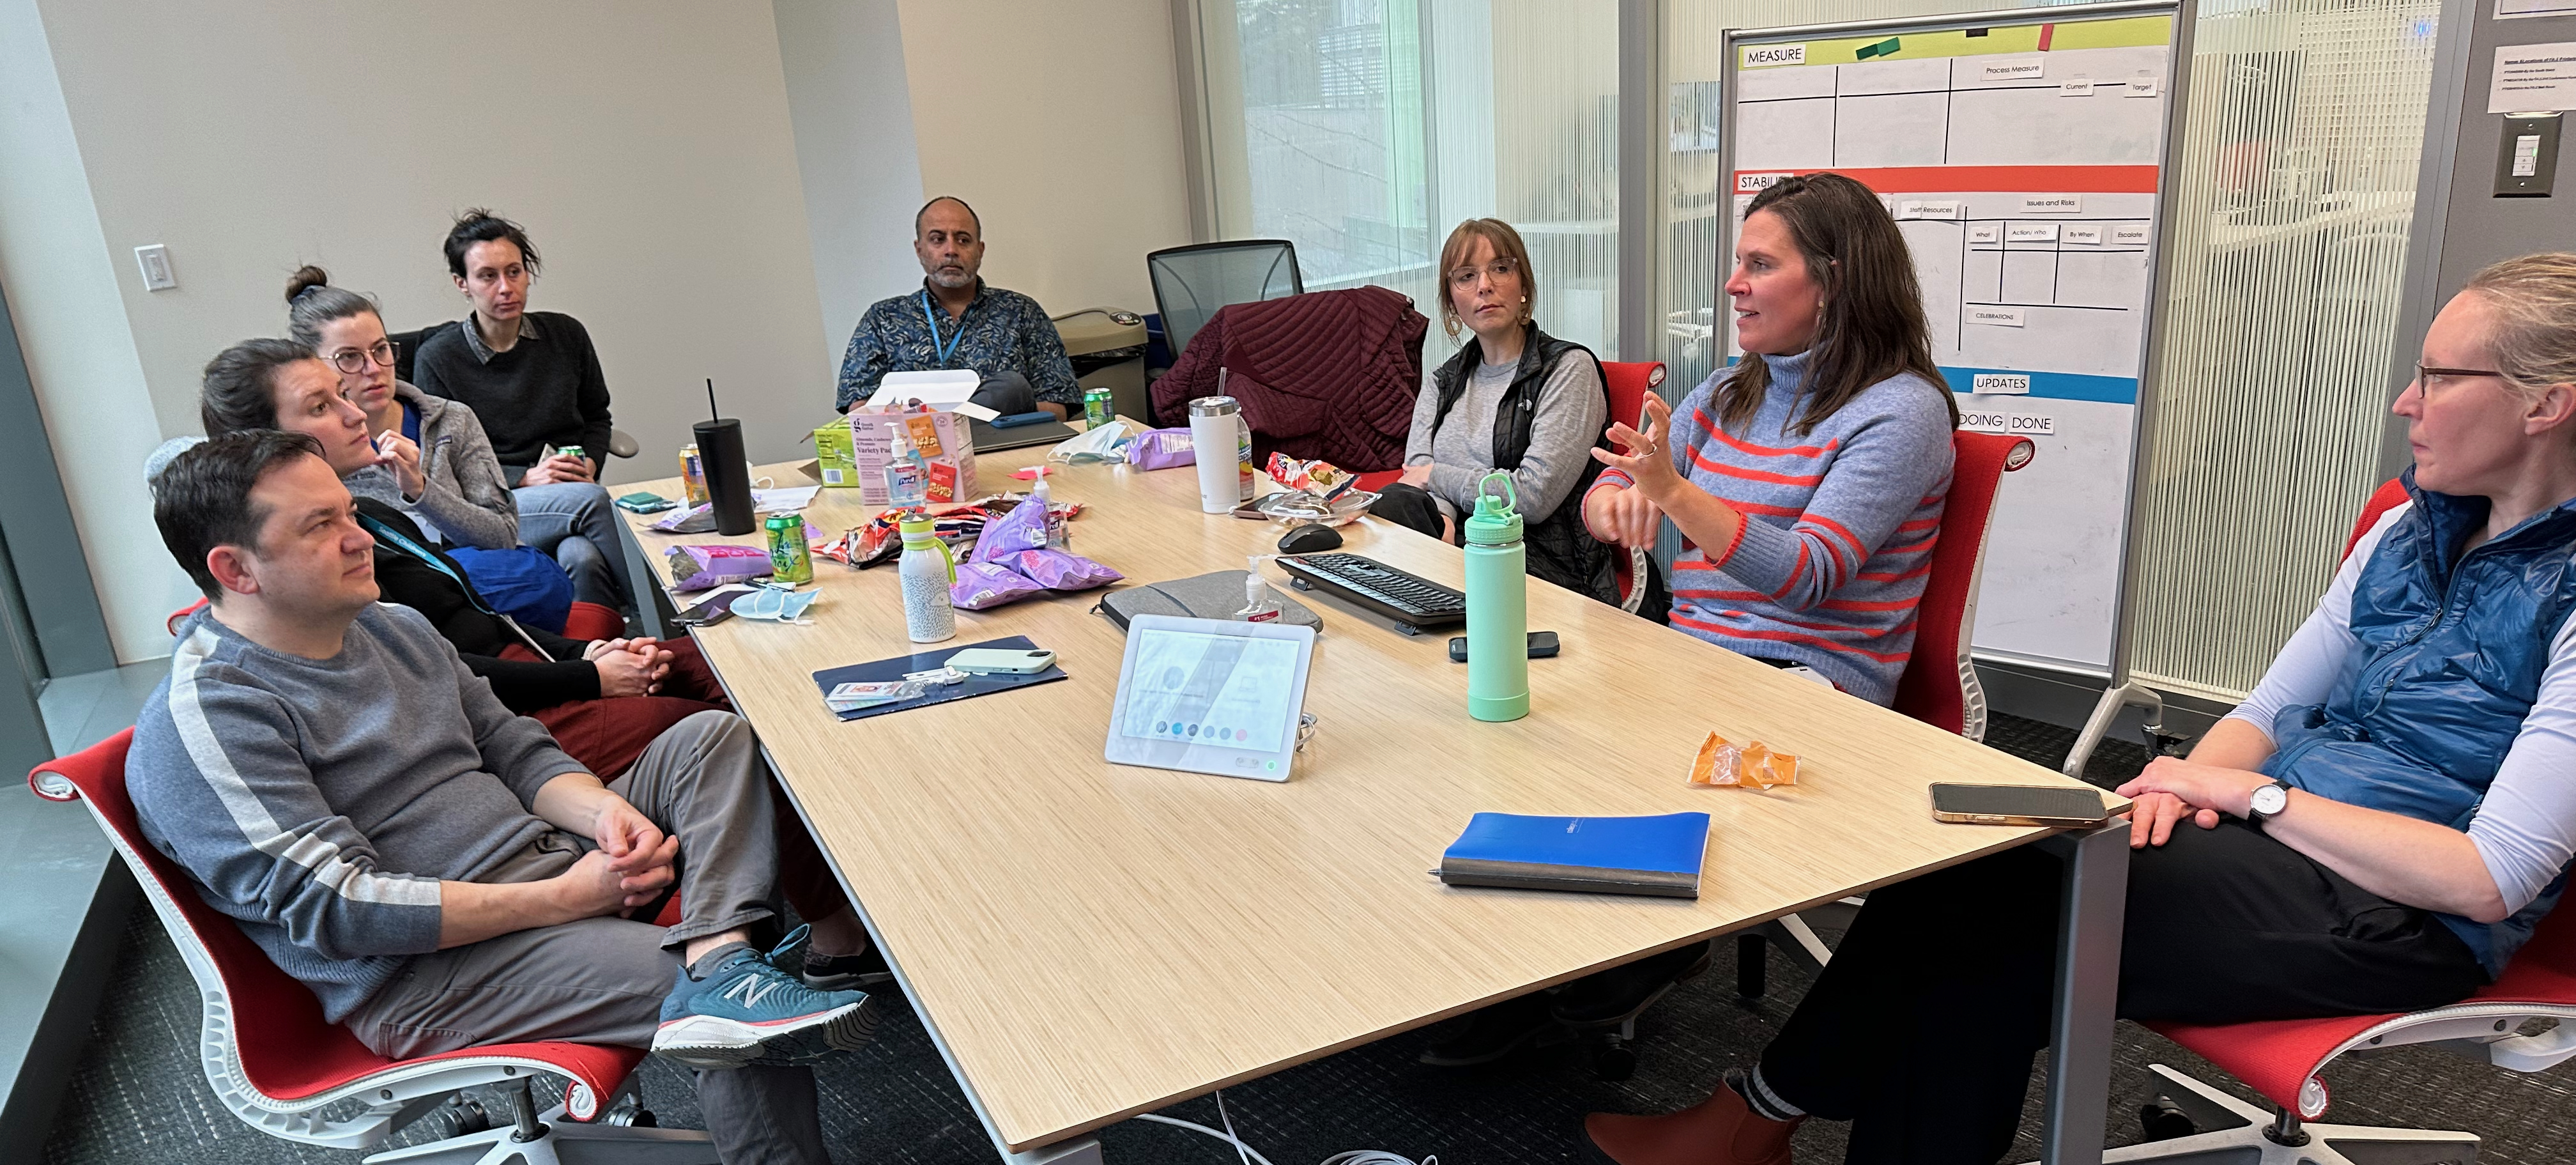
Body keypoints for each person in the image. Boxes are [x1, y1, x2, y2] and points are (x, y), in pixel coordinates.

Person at [1581, 254, 2576, 1165]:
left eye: (2441, 378)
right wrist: (2185, 786)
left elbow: (2489, 878)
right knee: (1976, 868)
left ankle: (1755, 1116)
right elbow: (2273, 704)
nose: (2408, 399)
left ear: (2547, 402)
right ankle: (1758, 1118)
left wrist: (2252, 796)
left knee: (2003, 922)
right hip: (2273, 836)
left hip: (2405, 907)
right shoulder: (2412, 527)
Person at [133, 430, 872, 1164]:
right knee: (723, 1015)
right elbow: (341, 905)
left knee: (709, 737)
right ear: (236, 568)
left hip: (548, 866)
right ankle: (721, 979)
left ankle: (720, 956)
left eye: (349, 511)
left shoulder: (394, 627)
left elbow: (516, 749)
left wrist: (602, 812)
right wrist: (571, 897)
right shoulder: (209, 713)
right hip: (430, 972)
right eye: (320, 526)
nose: (360, 538)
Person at [1586, 173, 1957, 707]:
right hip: (1693, 657)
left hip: (1810, 681)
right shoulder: (1728, 390)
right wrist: (1614, 503)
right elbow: (1621, 477)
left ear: (1833, 283)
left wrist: (1670, 492)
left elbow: (1805, 575)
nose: (1734, 284)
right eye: (1739, 263)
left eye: (1759, 265)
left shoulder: (1903, 410)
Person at [1373, 218, 1617, 604]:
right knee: (1389, 506)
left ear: (1524, 286)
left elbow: (1533, 496)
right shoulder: (1443, 381)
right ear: (1453, 301)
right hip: (1458, 553)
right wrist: (1445, 522)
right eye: (1466, 276)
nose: (1484, 285)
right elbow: (1414, 481)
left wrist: (1439, 476)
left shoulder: (1568, 369)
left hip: (1540, 565)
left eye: (1501, 268)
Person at [411, 210, 628, 612]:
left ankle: (609, 654)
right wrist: (523, 478)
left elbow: (598, 416)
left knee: (581, 557)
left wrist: (591, 465)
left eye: (514, 272)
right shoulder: (438, 359)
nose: (506, 288)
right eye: (488, 276)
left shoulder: (566, 334)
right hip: (491, 508)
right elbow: (442, 466)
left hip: (567, 494)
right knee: (595, 502)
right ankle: (677, 617)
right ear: (463, 284)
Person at [284, 266, 517, 550]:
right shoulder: (322, 451)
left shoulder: (452, 419)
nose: (373, 369)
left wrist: (421, 490)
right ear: (315, 367)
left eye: (380, 350)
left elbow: (503, 538)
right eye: (349, 357)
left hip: (481, 580)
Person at [832, 196, 1083, 419]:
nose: (951, 250)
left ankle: (954, 427)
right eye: (938, 239)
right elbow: (859, 409)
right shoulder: (882, 319)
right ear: (919, 250)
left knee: (1011, 388)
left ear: (980, 250)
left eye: (963, 240)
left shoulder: (1021, 312)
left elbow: (1058, 406)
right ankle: (949, 429)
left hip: (1004, 447)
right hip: (914, 453)